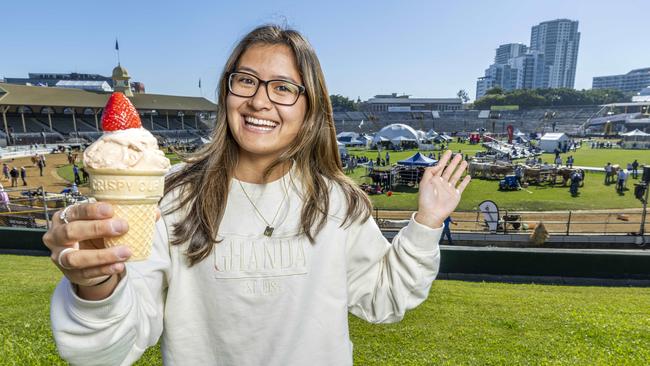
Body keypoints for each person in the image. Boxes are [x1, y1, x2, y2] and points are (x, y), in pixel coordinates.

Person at [45, 25, 471, 366]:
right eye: (246, 81)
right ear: (227, 93)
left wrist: (428, 222)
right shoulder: (171, 196)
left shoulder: (337, 201)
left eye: (283, 88)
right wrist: (97, 284)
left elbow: (386, 298)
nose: (260, 101)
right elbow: (107, 350)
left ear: (311, 107)